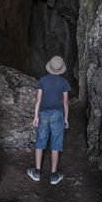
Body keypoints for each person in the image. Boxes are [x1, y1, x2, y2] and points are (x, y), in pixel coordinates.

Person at [27, 56, 71, 185]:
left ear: (49, 66)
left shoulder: (43, 80)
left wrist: (36, 116)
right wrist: (66, 119)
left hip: (44, 114)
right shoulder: (64, 82)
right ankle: (53, 175)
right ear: (61, 69)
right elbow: (66, 103)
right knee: (56, 144)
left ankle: (36, 172)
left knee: (40, 141)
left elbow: (38, 100)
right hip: (58, 115)